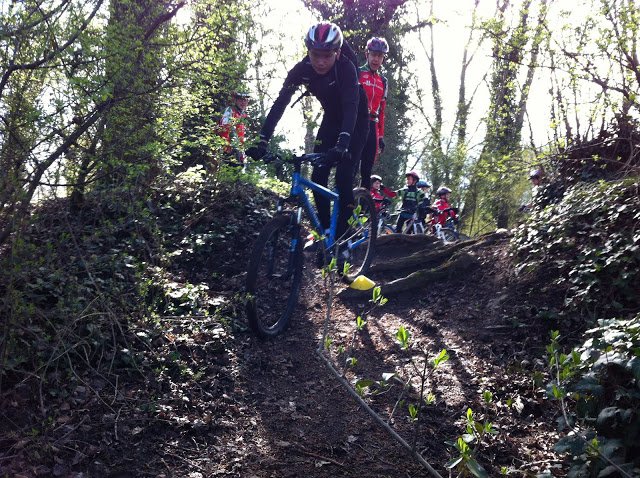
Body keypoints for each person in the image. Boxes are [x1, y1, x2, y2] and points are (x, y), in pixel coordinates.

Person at [246, 21, 369, 241]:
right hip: (331, 119)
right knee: (318, 175)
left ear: (337, 52)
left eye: (327, 56)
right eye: (315, 55)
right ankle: (326, 233)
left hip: (356, 122)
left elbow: (351, 107)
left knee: (343, 175)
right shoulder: (301, 70)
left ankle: (344, 236)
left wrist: (342, 145)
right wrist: (262, 140)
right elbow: (279, 103)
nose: (321, 62)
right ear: (308, 51)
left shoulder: (346, 68)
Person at [358, 37, 389, 189]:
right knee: (350, 167)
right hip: (357, 123)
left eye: (380, 56)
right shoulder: (357, 73)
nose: (376, 59)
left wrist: (381, 135)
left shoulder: (383, 81)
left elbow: (382, 110)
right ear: (367, 54)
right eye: (373, 54)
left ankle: (362, 209)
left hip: (373, 125)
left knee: (366, 170)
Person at [218, 90, 251, 165]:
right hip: (227, 150)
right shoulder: (230, 110)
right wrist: (233, 147)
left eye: (245, 100)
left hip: (237, 151)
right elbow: (225, 127)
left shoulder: (242, 116)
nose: (243, 102)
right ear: (235, 100)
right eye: (240, 100)